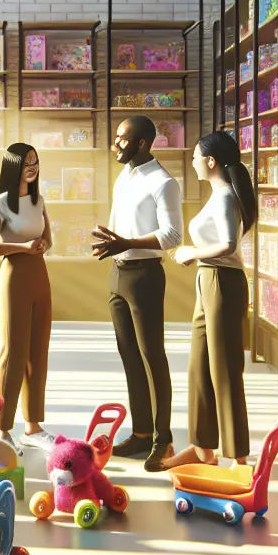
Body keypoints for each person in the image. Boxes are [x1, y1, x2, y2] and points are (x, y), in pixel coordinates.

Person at [89, 115, 183, 472]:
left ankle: (164, 439)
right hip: (118, 274)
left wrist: (126, 243)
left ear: (143, 143)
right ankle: (141, 433)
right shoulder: (125, 175)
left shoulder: (164, 183)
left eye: (122, 139)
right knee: (129, 356)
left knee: (152, 356)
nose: (116, 144)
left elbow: (173, 235)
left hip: (145, 276)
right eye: (115, 137)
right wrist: (113, 245)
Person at [165, 130, 257, 468]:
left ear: (211, 161)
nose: (192, 162)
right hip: (209, 280)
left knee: (224, 370)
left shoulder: (224, 198)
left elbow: (229, 244)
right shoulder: (218, 194)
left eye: (195, 156)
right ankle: (203, 448)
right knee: (199, 367)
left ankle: (239, 458)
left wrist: (192, 252)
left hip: (222, 281)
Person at [0, 142, 53, 449]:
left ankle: (33, 426)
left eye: (35, 162)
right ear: (14, 167)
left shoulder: (38, 201)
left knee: (38, 352)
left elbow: (47, 236)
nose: (32, 168)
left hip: (40, 274)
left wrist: (43, 245)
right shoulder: (1, 203)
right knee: (13, 354)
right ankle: (2, 428)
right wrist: (23, 247)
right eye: (26, 163)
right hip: (13, 276)